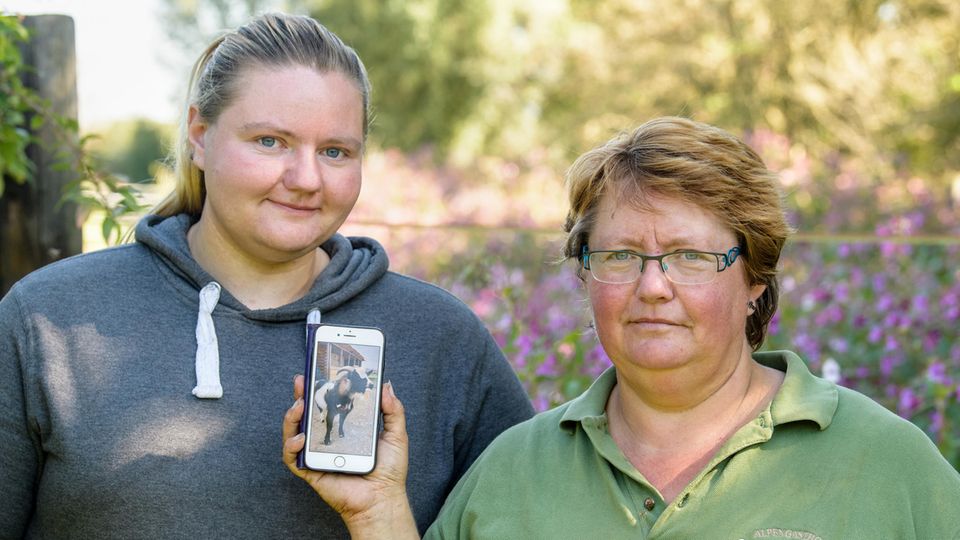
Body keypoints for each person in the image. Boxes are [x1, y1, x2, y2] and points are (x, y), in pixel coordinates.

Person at [283, 116, 960, 538]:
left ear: (756, 278)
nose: (653, 285)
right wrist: (375, 515)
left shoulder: (891, 468)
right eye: (620, 256)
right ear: (584, 273)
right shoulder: (511, 474)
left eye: (692, 257)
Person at [0, 12, 533, 538]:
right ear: (200, 136)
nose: (306, 179)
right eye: (270, 142)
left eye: (335, 151)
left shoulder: (441, 337)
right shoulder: (49, 318)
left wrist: (380, 517)